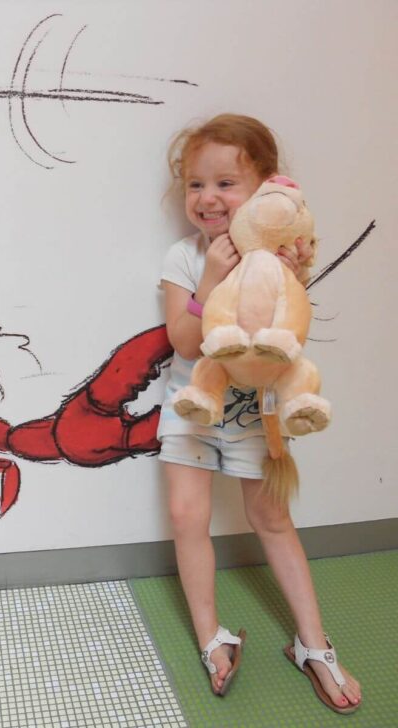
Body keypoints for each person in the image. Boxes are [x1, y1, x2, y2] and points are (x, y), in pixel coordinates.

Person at [158, 114, 361, 713]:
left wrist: (288, 271)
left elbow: (289, 331)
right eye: (196, 184)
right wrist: (212, 277)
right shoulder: (184, 256)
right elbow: (183, 341)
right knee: (185, 514)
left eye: (226, 183)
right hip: (192, 403)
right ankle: (210, 636)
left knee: (271, 517)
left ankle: (314, 644)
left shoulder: (279, 256)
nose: (209, 198)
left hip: (255, 411)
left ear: (266, 190)